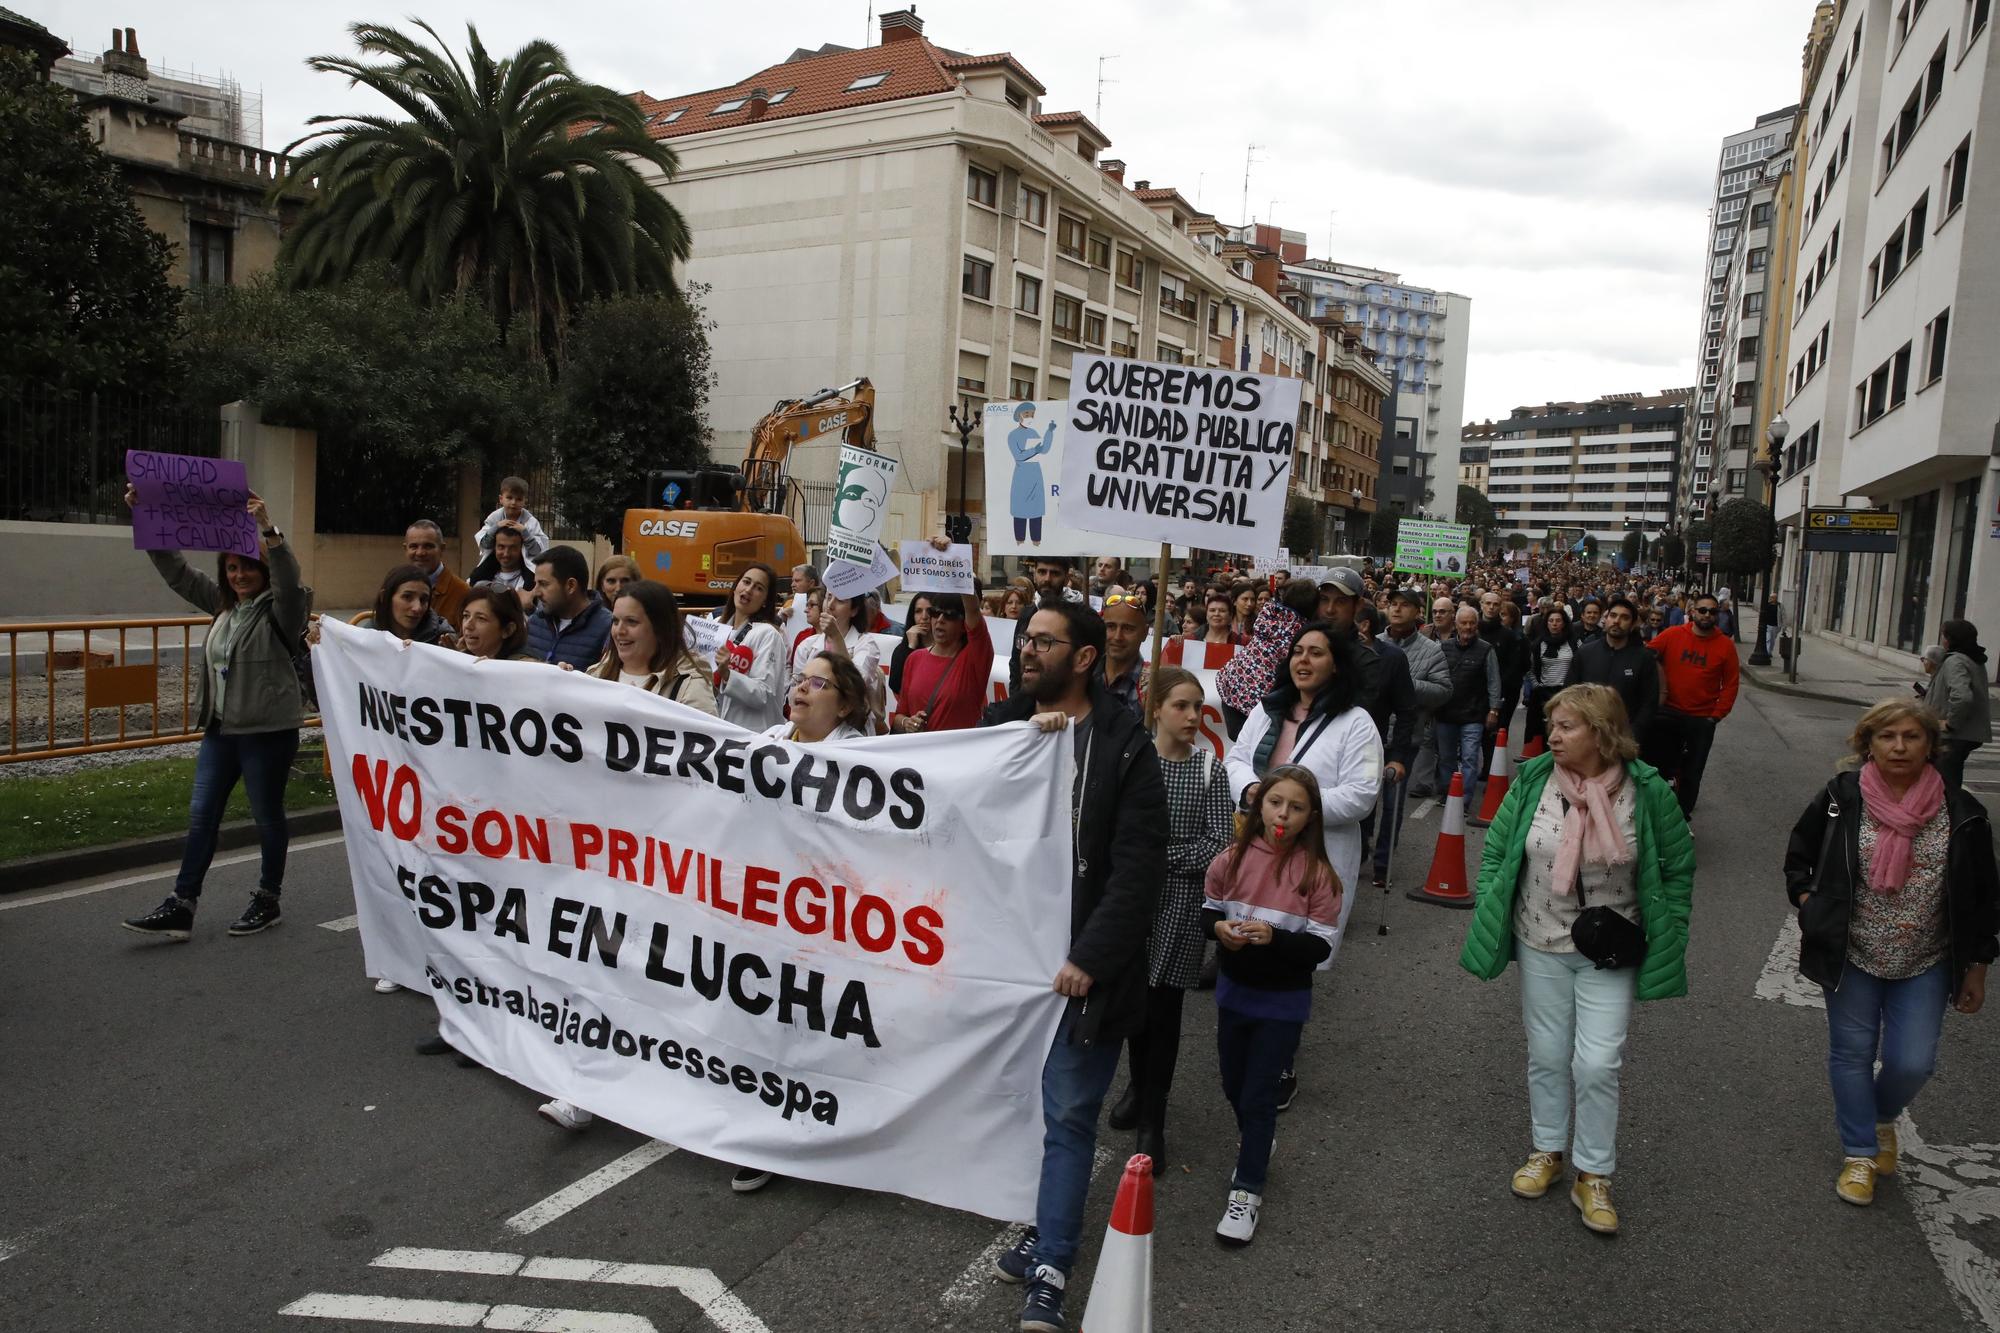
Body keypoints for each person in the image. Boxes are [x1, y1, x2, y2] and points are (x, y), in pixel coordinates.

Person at [985, 600, 1165, 1333]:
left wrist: (1089, 957)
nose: (1029, 651)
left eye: (1046, 642)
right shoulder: (1002, 723)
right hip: (1005, 963)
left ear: (1085, 657)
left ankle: (1053, 1264)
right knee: (1017, 1107)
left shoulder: (1126, 745)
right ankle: (1039, 1220)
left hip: (1080, 972)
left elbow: (1137, 869)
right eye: (1026, 639)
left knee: (1067, 1112)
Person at [1458, 684, 1694, 1237]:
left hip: (1611, 949)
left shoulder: (1647, 791)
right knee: (1546, 1054)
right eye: (1552, 724)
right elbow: (1498, 848)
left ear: (1603, 732)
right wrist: (1493, 895)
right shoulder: (1534, 778)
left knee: (1598, 1062)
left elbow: (1679, 868)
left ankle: (1594, 1172)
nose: (1553, 735)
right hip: (1538, 938)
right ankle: (1547, 1150)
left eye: (1567, 726)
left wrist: (1672, 928)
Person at [1783, 698, 1997, 1206]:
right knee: (1852, 1054)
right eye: (1887, 736)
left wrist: (1979, 967)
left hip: (1926, 957)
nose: (1899, 746)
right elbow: (1800, 853)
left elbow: (1985, 895)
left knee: (1913, 1062)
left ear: (1931, 745)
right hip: (1851, 951)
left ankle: (1879, 1117)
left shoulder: (1962, 810)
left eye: (1911, 737)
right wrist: (1809, 901)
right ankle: (1859, 1153)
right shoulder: (1842, 795)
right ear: (1868, 744)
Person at [535, 581, 718, 1130]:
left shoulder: (691, 686)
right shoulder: (596, 677)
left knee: (649, 976)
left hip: (663, 859)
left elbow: (703, 765)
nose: (619, 631)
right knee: (598, 966)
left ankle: (669, 1072)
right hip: (604, 855)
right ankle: (584, 1085)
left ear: (659, 628)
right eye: (616, 620)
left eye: (632, 622)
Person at [121, 488, 307, 941]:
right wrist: (146, 520)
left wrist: (269, 530)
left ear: (263, 569)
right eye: (232, 567)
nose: (240, 574)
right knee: (202, 816)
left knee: (267, 816)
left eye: (247, 566)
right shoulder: (224, 607)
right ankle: (182, 905)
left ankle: (267, 898)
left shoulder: (283, 610)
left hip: (267, 731)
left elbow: (289, 578)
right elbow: (178, 574)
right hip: (221, 731)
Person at [1224, 620, 1382, 1112]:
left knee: (1292, 950)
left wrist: (1296, 809)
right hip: (1260, 852)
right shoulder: (1268, 709)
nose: (1304, 659)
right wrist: (1253, 791)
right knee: (1250, 937)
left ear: (1336, 663)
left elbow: (1360, 794)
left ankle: (1281, 1059)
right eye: (1298, 650)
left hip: (1314, 856)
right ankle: (1246, 1037)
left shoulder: (1355, 722)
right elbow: (1237, 759)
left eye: (1316, 652)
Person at [1201, 764, 1342, 1245]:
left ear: (1311, 817)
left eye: (1296, 807)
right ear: (1259, 806)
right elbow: (1210, 910)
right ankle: (1257, 1141)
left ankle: (1247, 1190)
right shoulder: (1230, 860)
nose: (1284, 814)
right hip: (1233, 993)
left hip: (1283, 1003)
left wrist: (1276, 938)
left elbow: (1320, 946)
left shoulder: (1318, 874)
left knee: (1260, 1096)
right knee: (1233, 1085)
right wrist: (1221, 931)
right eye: (1276, 802)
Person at [1104, 666, 1233, 1175]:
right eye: (1180, 705)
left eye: (1197, 706)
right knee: (1136, 1002)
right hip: (1137, 899)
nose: (1191, 715)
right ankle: (1137, 1085)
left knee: (1165, 1010)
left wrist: (1166, 860)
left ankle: (1153, 1117)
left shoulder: (1209, 769)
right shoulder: (1134, 763)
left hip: (1180, 902)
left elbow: (1219, 839)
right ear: (1155, 708)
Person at [1643, 592, 1739, 821]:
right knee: (1659, 766)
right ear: (1692, 612)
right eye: (1702, 610)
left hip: (1701, 718)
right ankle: (1654, 812)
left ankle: (1682, 816)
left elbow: (1731, 684)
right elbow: (1646, 657)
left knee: (1692, 772)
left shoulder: (1725, 646)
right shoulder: (1673, 635)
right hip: (1668, 713)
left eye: (1712, 611)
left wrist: (1715, 716)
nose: (1707, 615)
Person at [1354, 600, 1419, 890]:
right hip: (1345, 750)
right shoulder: (1335, 652)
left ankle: (1382, 864)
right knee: (1358, 809)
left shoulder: (1392, 658)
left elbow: (1406, 709)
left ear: (1364, 624)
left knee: (1388, 805)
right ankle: (1357, 854)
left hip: (1380, 746)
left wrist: (1399, 755)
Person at [1216, 579, 1319, 740]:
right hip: (1255, 702)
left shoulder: (1268, 614)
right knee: (1251, 747)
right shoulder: (1298, 633)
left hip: (1231, 684)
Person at [893, 572, 993, 734]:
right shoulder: (914, 659)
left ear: (964, 625)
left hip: (957, 756)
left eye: (950, 615)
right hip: (916, 754)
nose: (939, 620)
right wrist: (907, 722)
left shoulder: (974, 659)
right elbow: (899, 716)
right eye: (935, 613)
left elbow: (973, 609)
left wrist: (955, 561)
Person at [1436, 605, 1501, 822]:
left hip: (1474, 715)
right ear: (1456, 624)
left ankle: (1463, 800)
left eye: (1472, 623)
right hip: (1445, 713)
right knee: (1446, 758)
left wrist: (1493, 710)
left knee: (1470, 758)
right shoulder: (1443, 648)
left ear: (1477, 624)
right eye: (1463, 623)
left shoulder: (1486, 649)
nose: (1468, 627)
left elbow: (1494, 682)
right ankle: (1447, 793)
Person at [1385, 588, 1450, 799]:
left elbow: (1443, 691)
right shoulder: (1373, 643)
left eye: (1404, 605)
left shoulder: (1432, 650)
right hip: (1371, 735)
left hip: (1406, 738)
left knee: (1392, 803)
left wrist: (1407, 685)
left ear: (1417, 612)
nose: (1397, 608)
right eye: (1393, 603)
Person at [708, 563, 788, 733]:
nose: (749, 589)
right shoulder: (714, 627)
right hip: (714, 728)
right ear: (736, 586)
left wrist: (727, 674)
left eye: (758, 588)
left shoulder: (768, 634)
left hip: (753, 734)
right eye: (746, 582)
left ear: (766, 600)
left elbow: (764, 694)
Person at [1566, 597, 1659, 741]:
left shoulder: (1644, 658)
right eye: (1613, 615)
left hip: (1625, 736)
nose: (1617, 621)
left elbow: (1649, 702)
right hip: (1586, 733)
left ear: (1633, 624)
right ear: (1606, 619)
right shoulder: (1585, 652)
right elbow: (1570, 691)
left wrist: (1634, 732)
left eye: (1624, 617)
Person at [790, 594, 882, 728]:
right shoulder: (807, 646)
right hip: (810, 726)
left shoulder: (866, 644)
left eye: (840, 600)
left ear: (854, 610)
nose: (830, 605)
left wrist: (836, 636)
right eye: (827, 597)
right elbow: (794, 690)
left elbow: (855, 685)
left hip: (849, 729)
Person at [1926, 619, 1992, 792]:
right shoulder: (1973, 659)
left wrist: (1950, 723)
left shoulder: (1955, 661)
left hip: (1955, 734)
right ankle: (1952, 812)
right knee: (1951, 777)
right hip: (1968, 732)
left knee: (1944, 782)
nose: (1942, 640)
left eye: (1944, 636)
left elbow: (1962, 697)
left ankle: (1950, 814)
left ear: (1951, 638)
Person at [525, 546, 613, 669]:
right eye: (536, 584)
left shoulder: (608, 628)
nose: (536, 592)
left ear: (571, 585)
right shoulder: (535, 622)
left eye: (543, 584)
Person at [1010, 555, 1079, 693]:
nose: (1047, 579)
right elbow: (1016, 663)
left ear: (1066, 578)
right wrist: (1017, 701)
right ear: (1034, 575)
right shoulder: (1027, 614)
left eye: (1055, 573)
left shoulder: (1078, 615)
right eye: (1042, 572)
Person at [353, 564, 455, 646]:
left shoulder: (444, 639)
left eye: (424, 600)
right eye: (407, 597)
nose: (417, 608)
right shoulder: (364, 639)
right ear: (385, 597)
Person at [1524, 607, 1578, 752]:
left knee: (1567, 729)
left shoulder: (1574, 643)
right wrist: (1537, 686)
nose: (1554, 624)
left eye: (1558, 620)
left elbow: (1581, 663)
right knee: (1546, 732)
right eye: (1551, 621)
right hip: (1544, 693)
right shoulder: (1538, 644)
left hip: (1567, 693)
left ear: (1564, 623)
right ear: (1546, 623)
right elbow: (1530, 668)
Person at [402, 519, 471, 629]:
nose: (420, 553)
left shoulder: (463, 593)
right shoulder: (394, 588)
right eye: (414, 546)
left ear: (442, 549)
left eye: (428, 546)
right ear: (405, 549)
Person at [474, 474, 551, 565]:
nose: (513, 502)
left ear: (524, 501)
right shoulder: (494, 518)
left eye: (519, 499)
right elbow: (484, 545)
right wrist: (496, 527)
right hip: (495, 563)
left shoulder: (530, 522)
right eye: (509, 498)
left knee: (532, 578)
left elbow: (537, 552)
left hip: (522, 565)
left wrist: (524, 532)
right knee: (476, 577)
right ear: (501, 499)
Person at [1098, 591, 1151, 720]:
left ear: (1144, 633)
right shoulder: (1083, 674)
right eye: (1110, 627)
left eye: (1128, 629)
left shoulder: (1155, 686)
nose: (1117, 637)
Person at [1006, 401, 1054, 544]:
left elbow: (1044, 449)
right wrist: (1034, 450)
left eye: (1032, 414)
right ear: (1019, 415)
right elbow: (1018, 456)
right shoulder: (1012, 435)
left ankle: (1036, 542)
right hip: (1022, 477)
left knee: (1036, 512)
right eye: (1027, 413)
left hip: (1035, 476)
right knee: (1020, 513)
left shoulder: (1033, 433)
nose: (1029, 416)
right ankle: (1019, 542)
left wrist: (1049, 432)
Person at [456, 583, 535, 661]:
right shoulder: (460, 656)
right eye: (466, 616)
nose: (468, 626)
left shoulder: (524, 669)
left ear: (508, 630)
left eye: (481, 618)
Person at [469, 522, 536, 606]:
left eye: (512, 548)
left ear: (521, 549)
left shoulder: (533, 584)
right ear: (494, 548)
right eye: (501, 547)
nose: (506, 554)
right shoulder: (477, 581)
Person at [889, 592, 936, 697]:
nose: (924, 617)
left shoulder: (949, 648)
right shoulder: (901, 650)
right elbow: (897, 686)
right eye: (918, 611)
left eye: (930, 611)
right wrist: (910, 648)